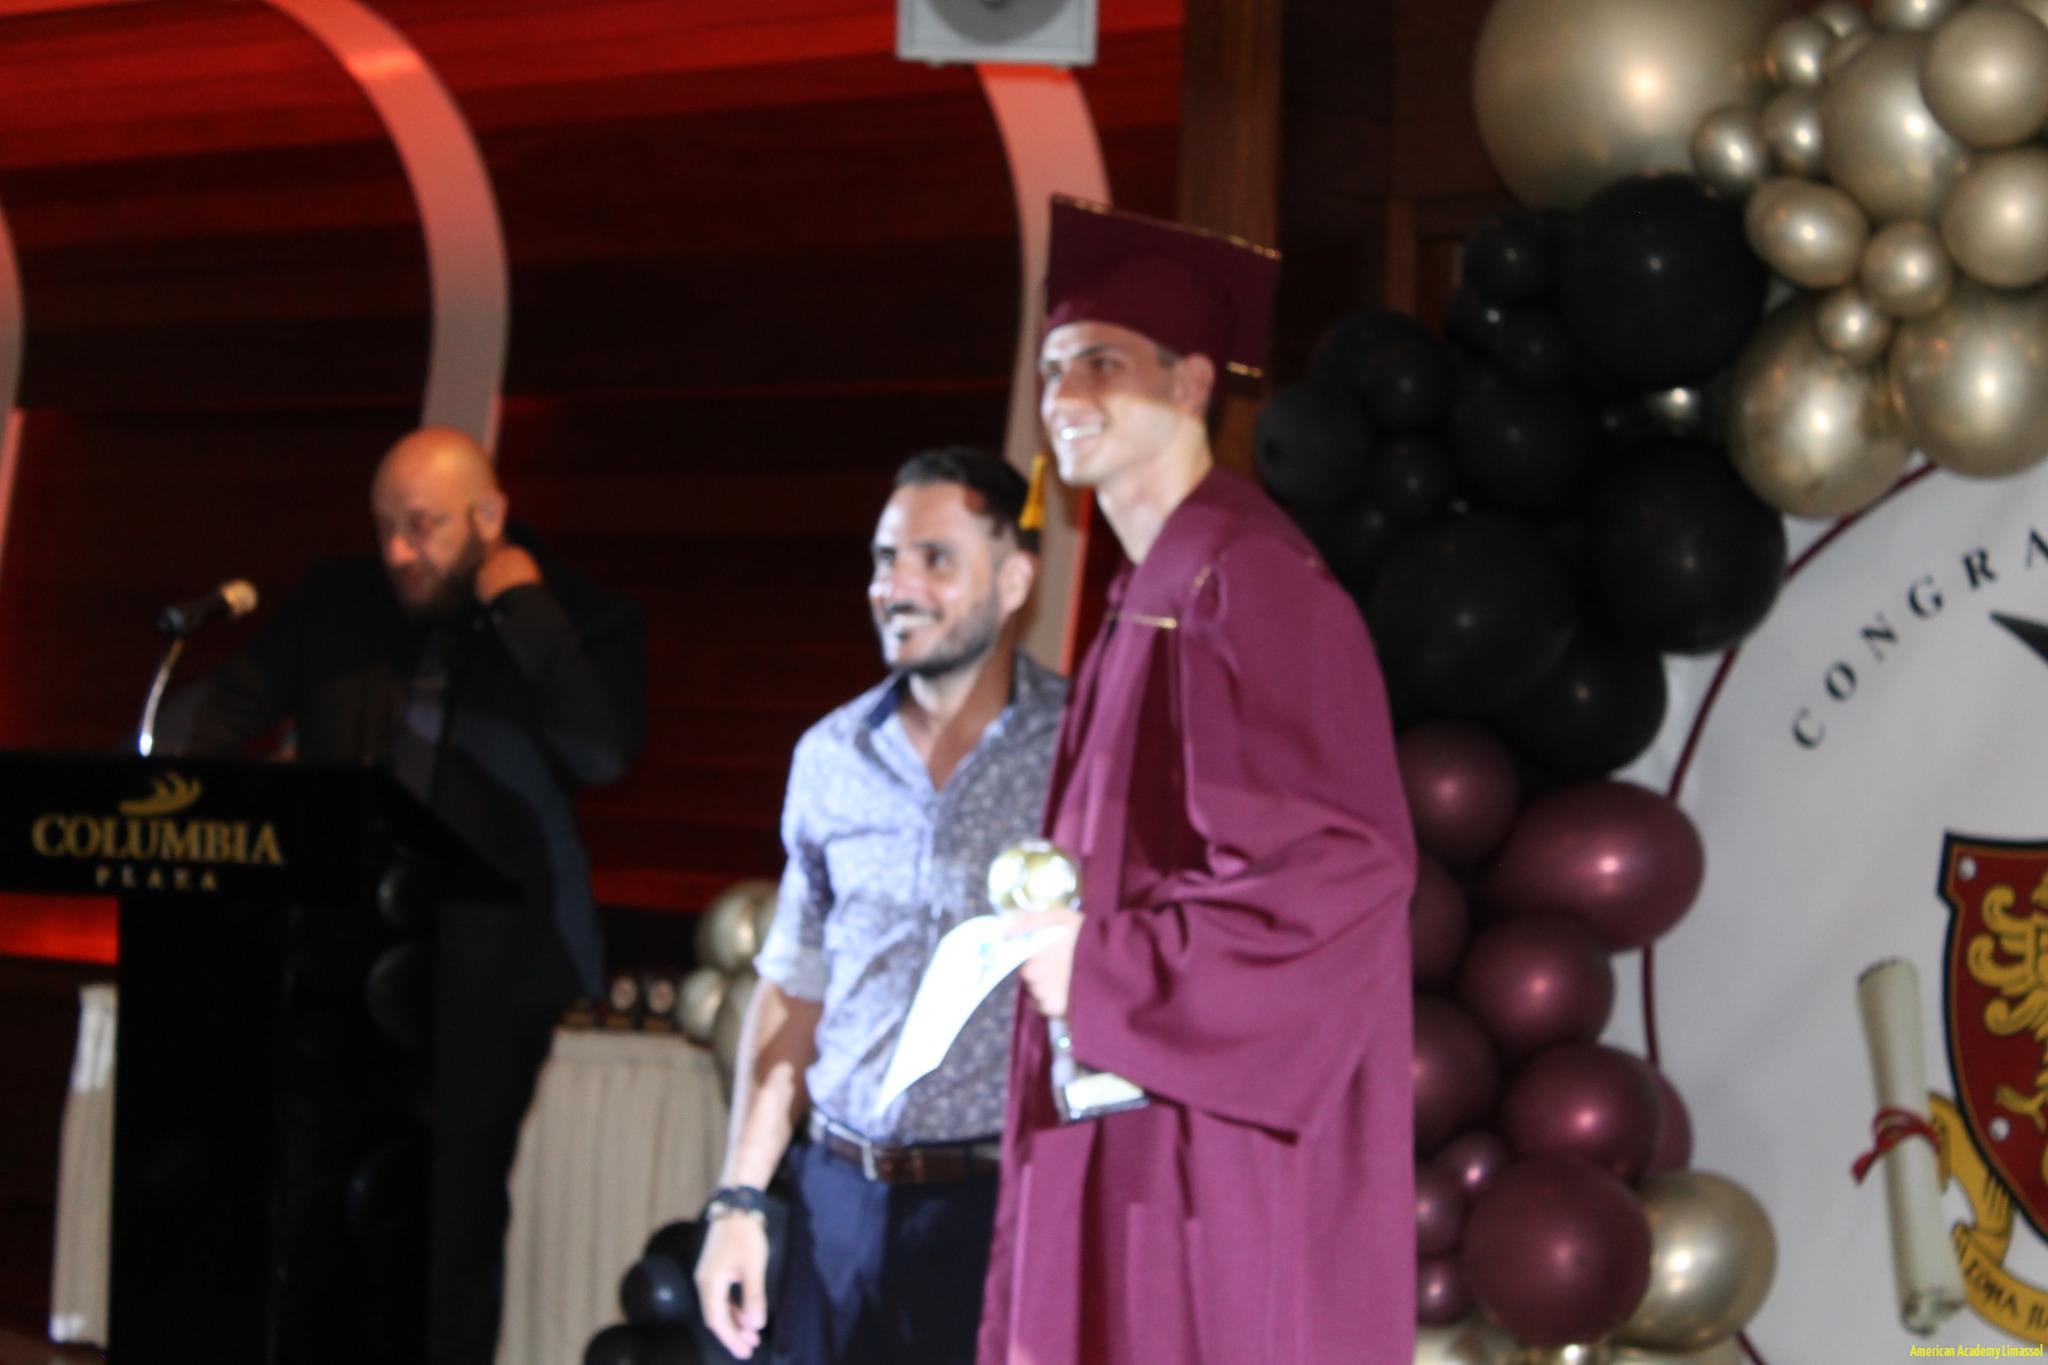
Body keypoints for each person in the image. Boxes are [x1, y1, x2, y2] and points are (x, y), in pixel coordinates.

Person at [977, 198, 1418, 1365]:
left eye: (1101, 364)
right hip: (1126, 1104)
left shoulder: (1246, 582)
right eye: (1051, 370)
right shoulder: (1146, 594)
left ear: (1190, 384)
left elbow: (1338, 874)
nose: (1063, 397)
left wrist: (1105, 970)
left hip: (1201, 1149)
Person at [165, 425, 647, 1365]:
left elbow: (601, 750)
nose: (397, 550)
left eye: (422, 526)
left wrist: (522, 607)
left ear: (489, 516)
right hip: (333, 963)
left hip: (486, 978)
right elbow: (221, 710)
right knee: (312, 1215)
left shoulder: (577, 612)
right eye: (384, 524)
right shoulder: (341, 599)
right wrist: (126, 783)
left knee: (441, 1228)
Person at [694, 447, 1065, 1365]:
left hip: (998, 1206)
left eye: (936, 558)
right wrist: (739, 1199)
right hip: (834, 1201)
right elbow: (793, 988)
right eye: (885, 559)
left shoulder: (1077, 750)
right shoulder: (830, 756)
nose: (897, 586)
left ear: (1014, 581)